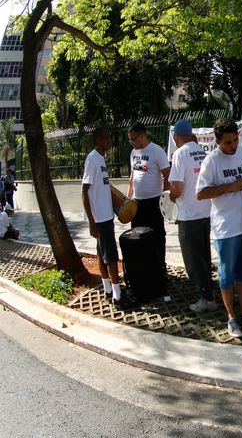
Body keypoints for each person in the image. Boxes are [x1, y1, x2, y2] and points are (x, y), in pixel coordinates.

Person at [196, 118, 242, 338]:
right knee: (226, 274)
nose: (233, 145)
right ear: (218, 141)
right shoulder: (211, 161)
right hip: (225, 227)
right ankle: (231, 317)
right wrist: (229, 187)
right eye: (228, 142)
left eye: (235, 140)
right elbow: (200, 193)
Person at [168, 119, 216, 314]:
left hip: (188, 215)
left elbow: (177, 189)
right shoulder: (203, 153)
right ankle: (209, 293)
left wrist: (169, 196)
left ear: (176, 136)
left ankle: (205, 298)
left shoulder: (180, 154)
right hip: (205, 212)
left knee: (193, 260)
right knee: (204, 256)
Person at [82, 129, 125, 307]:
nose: (109, 141)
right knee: (111, 256)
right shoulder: (93, 159)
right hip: (100, 218)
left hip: (105, 215)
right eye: (106, 137)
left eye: (110, 137)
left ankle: (108, 289)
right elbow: (84, 191)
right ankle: (118, 296)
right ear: (98, 139)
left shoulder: (101, 159)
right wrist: (92, 222)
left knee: (101, 254)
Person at [127, 122, 170, 272]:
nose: (132, 143)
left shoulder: (156, 151)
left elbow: (167, 175)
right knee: (137, 235)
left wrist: (164, 200)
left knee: (157, 235)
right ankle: (142, 267)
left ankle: (160, 266)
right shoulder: (134, 153)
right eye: (130, 140)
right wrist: (128, 198)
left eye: (133, 139)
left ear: (143, 135)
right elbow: (132, 176)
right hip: (137, 202)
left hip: (154, 202)